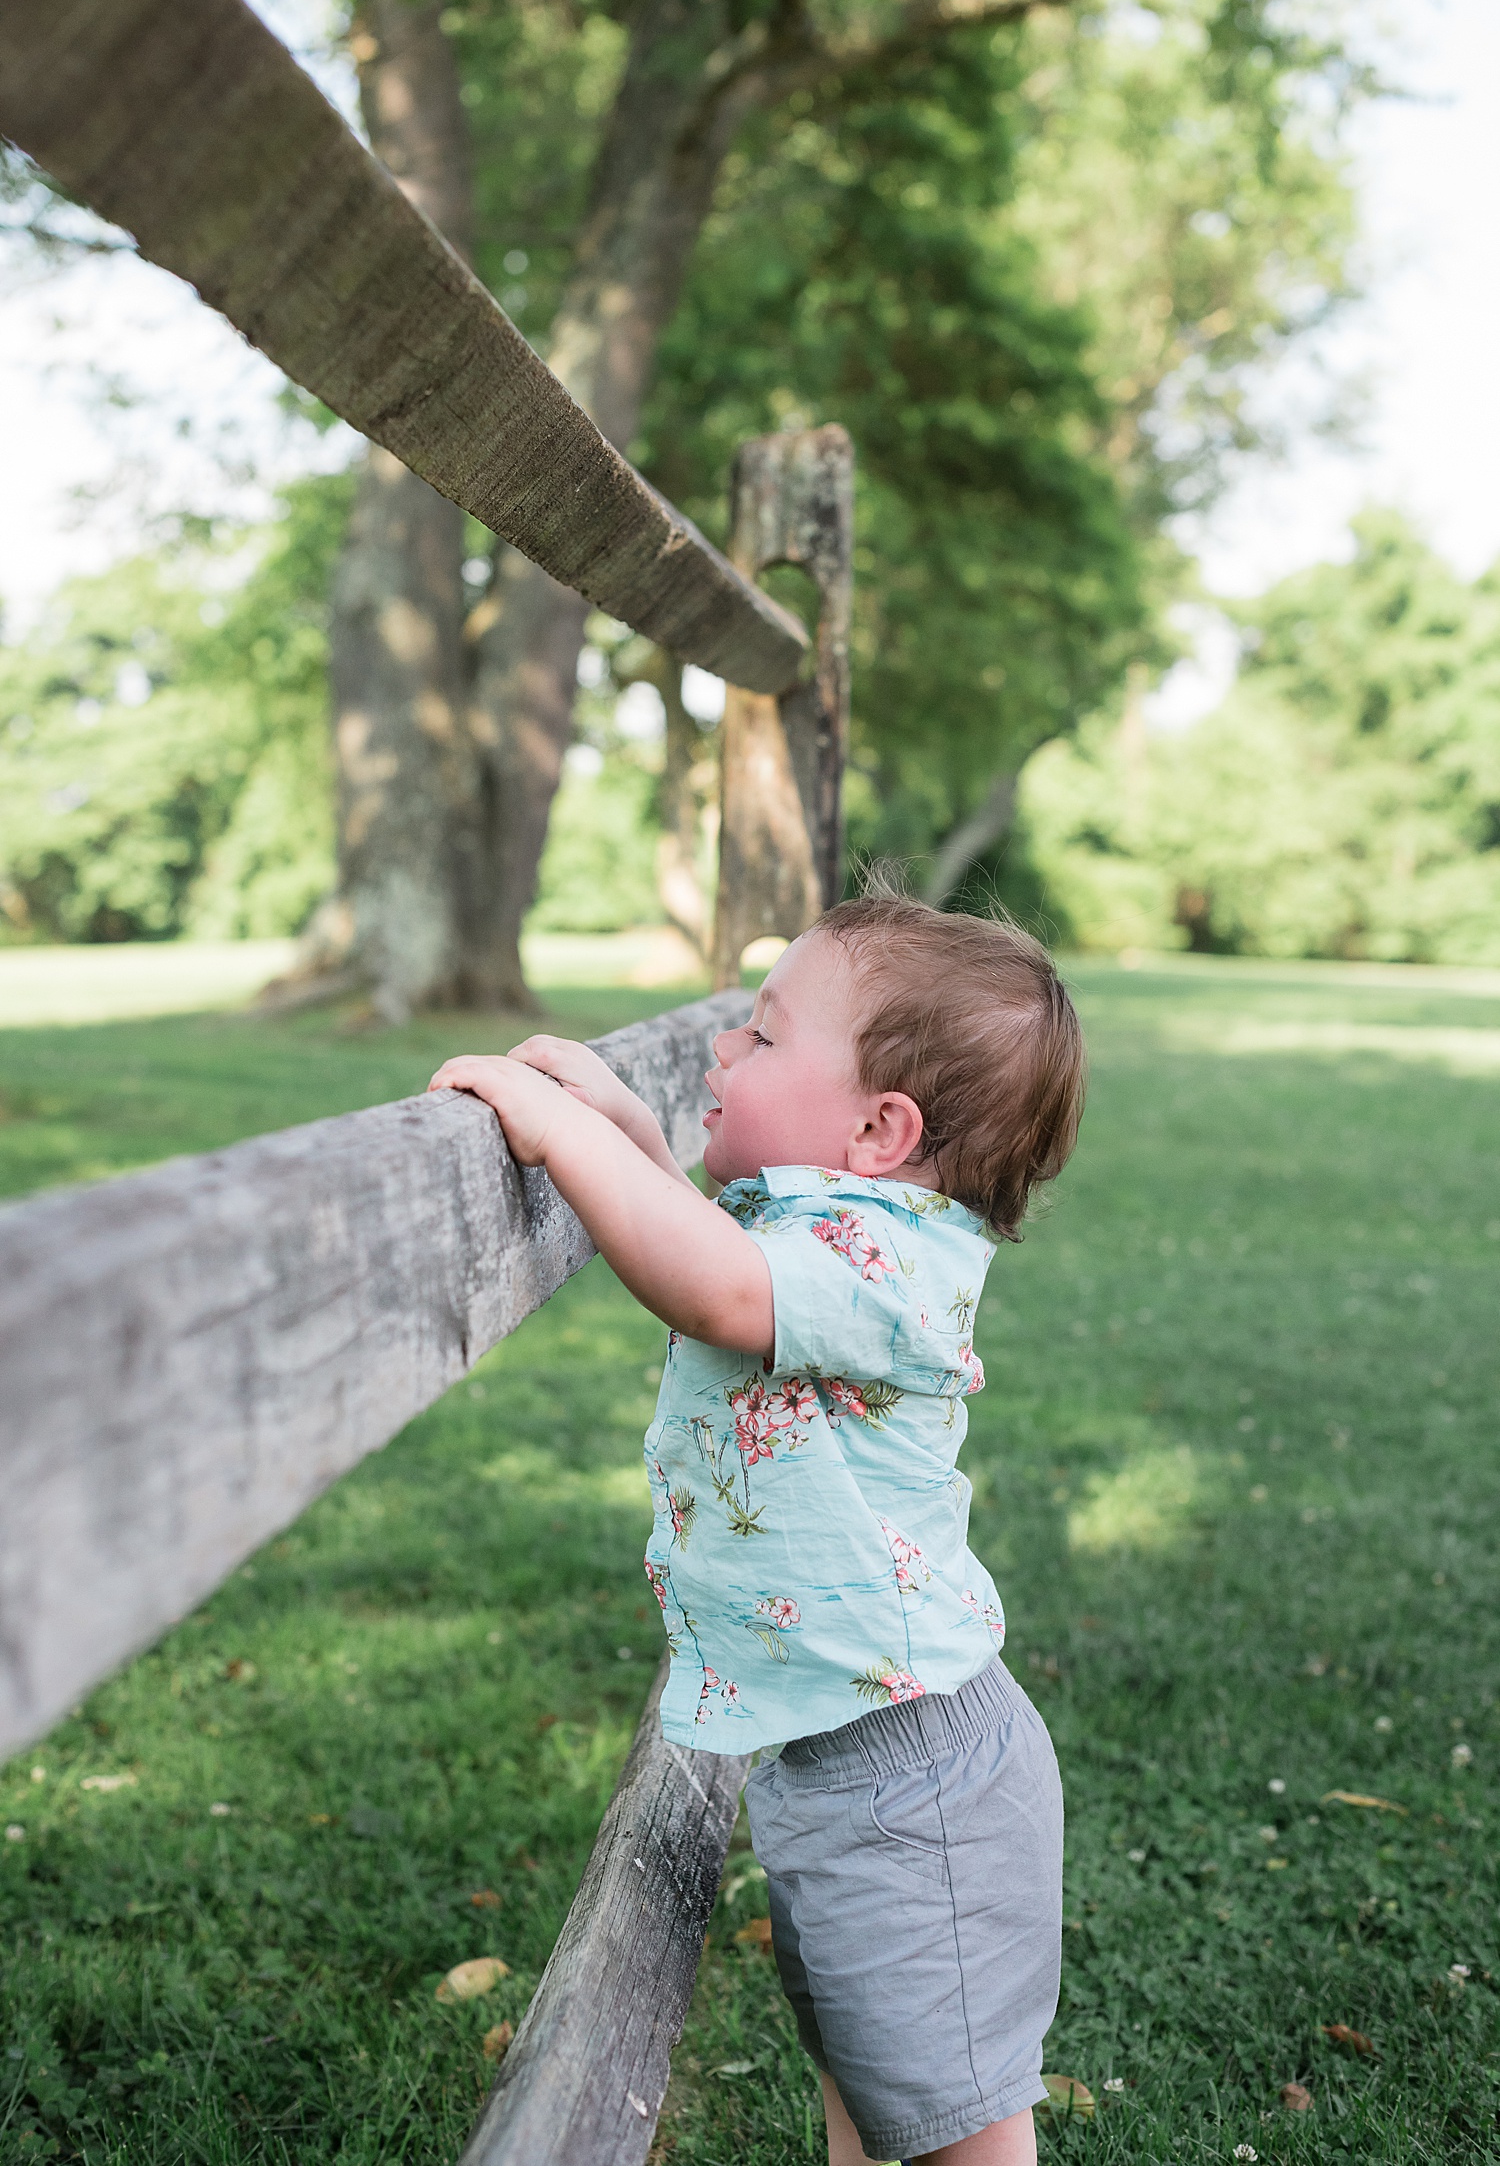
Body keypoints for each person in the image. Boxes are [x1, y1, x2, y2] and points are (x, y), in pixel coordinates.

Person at [428, 894, 1087, 2166]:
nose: (725, 1054)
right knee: (874, 2090)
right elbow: (698, 1230)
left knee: (959, 2133)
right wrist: (620, 1119)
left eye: (764, 1039)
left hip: (918, 1782)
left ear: (879, 1129)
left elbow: (710, 1281)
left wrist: (566, 1134)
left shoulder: (890, 1265)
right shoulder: (823, 1226)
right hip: (849, 1760)